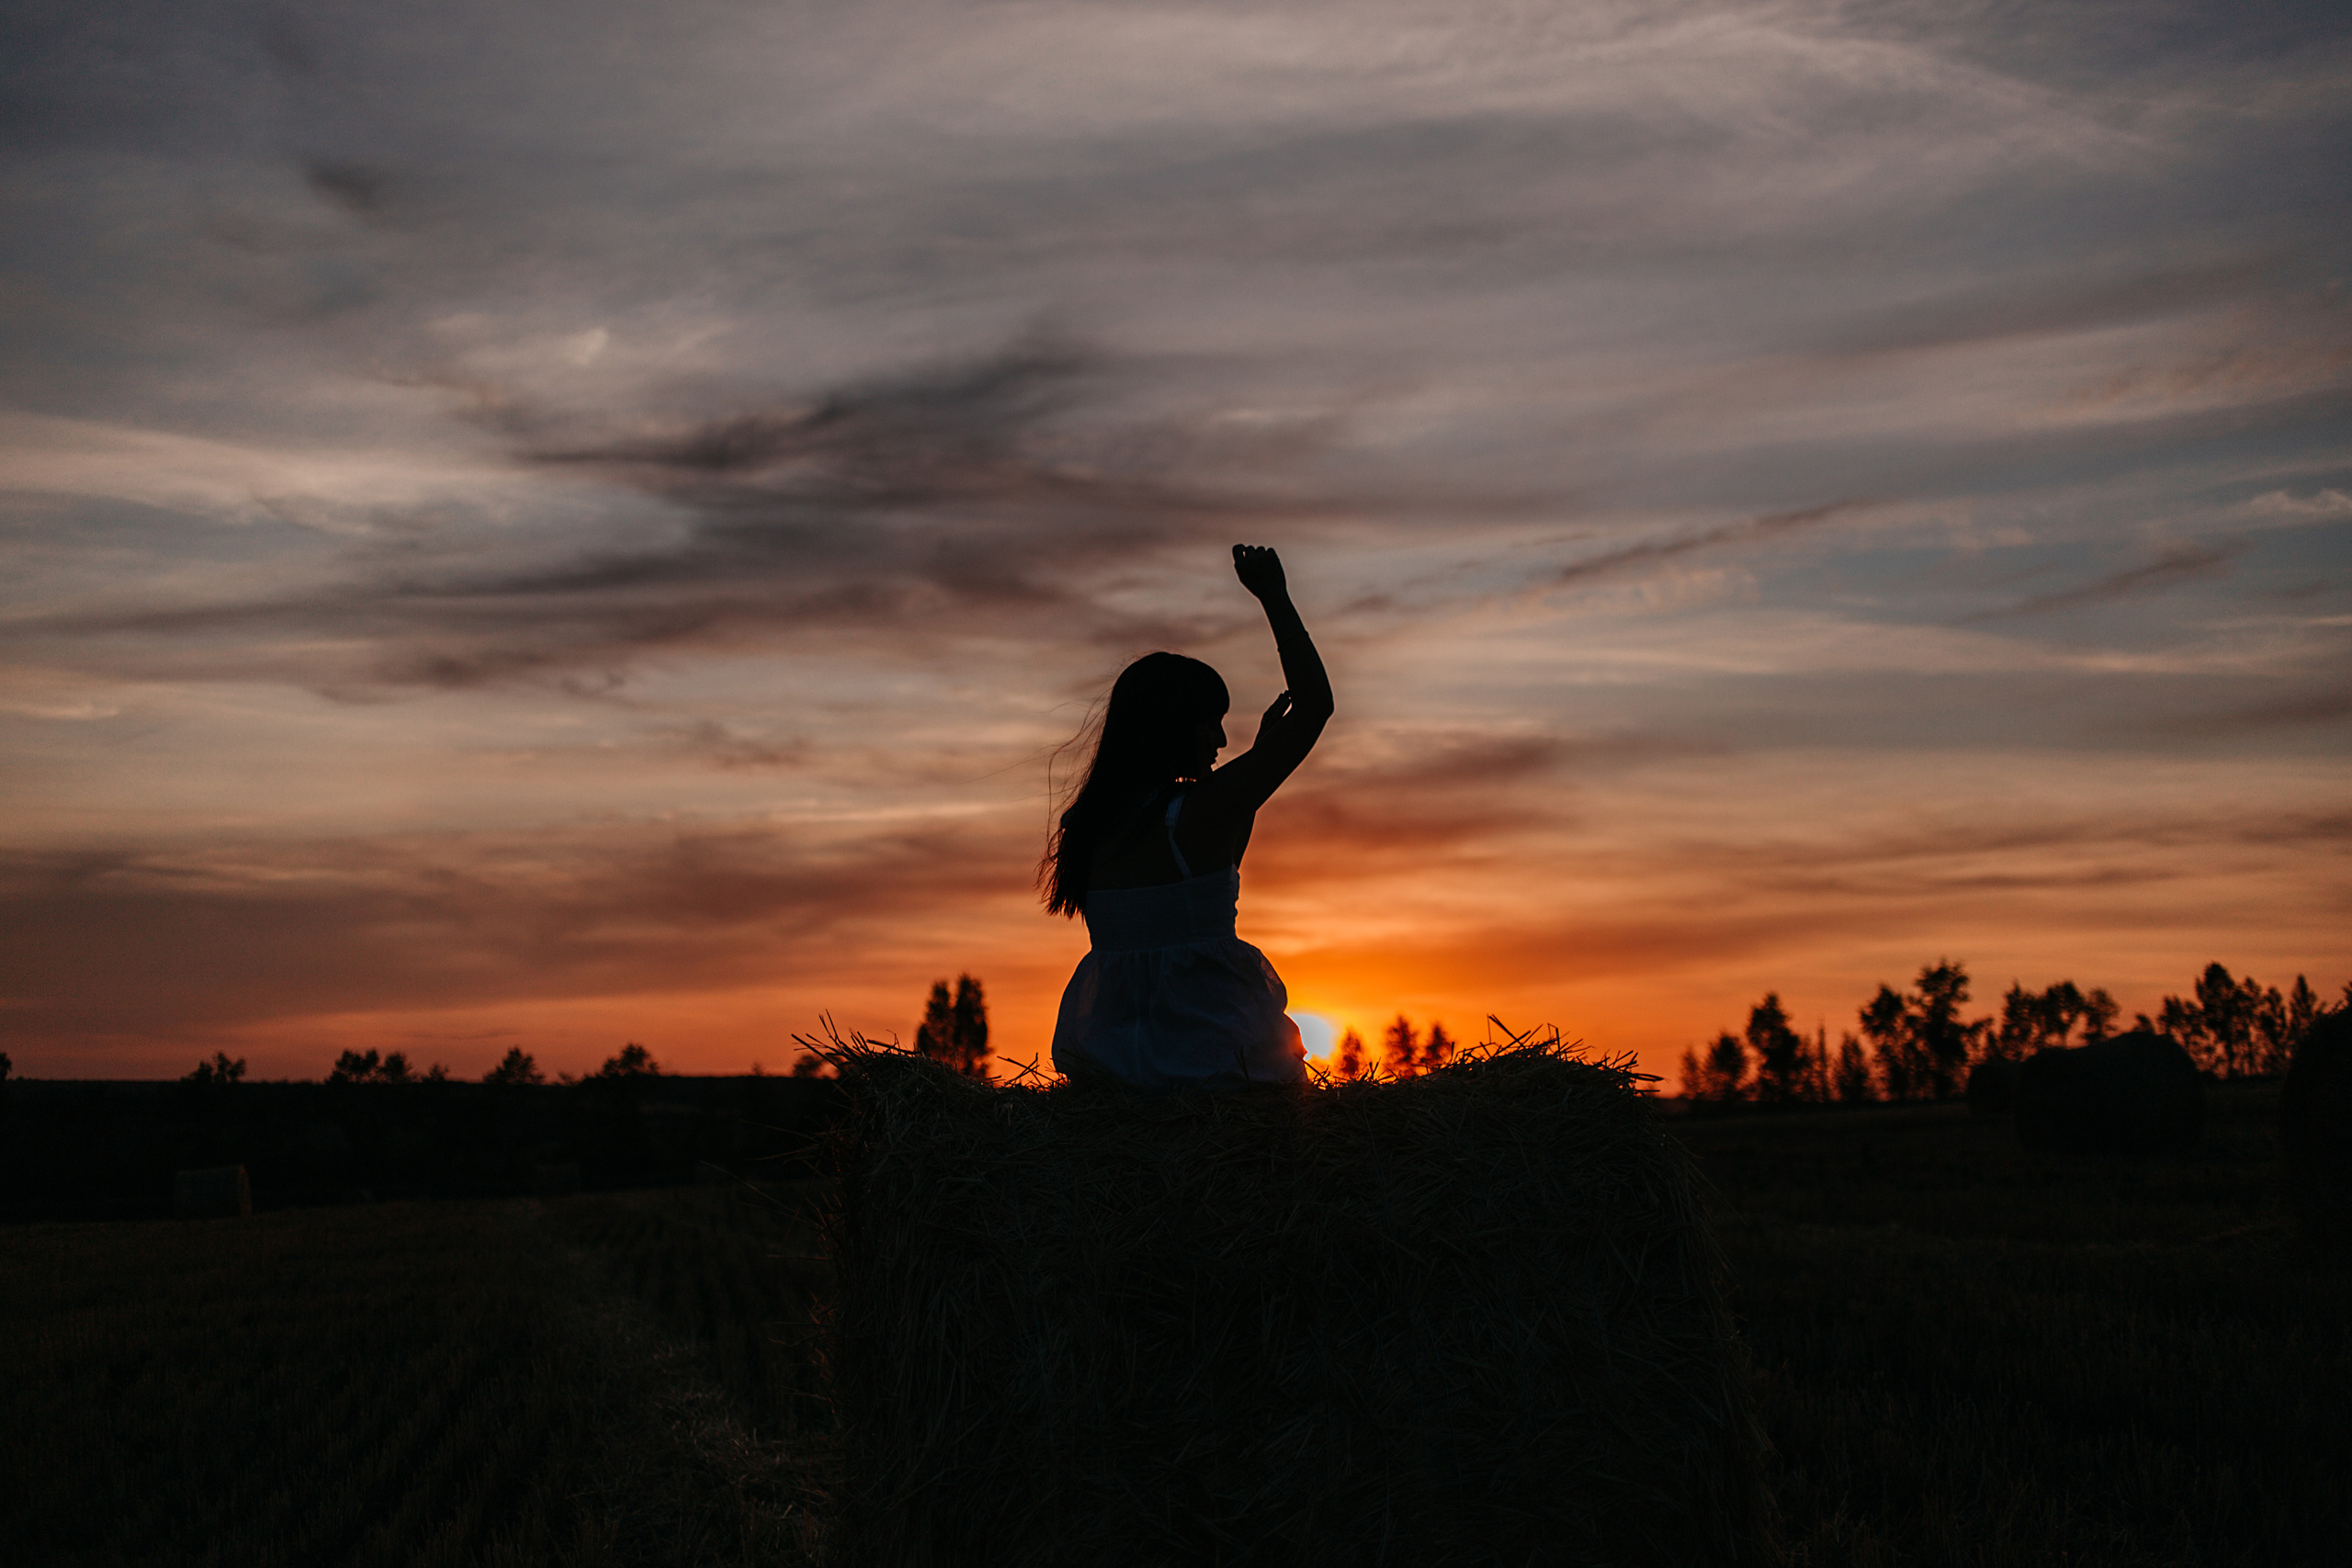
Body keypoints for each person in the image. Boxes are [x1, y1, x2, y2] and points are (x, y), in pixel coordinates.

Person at [1043, 544, 1334, 1089]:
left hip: (1120, 1073)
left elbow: (1208, 884)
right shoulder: (1199, 812)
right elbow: (1316, 706)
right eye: (1212, 722)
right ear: (1173, 726)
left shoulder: (1088, 829)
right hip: (1218, 1063)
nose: (1223, 740)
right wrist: (1275, 596)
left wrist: (1248, 785)